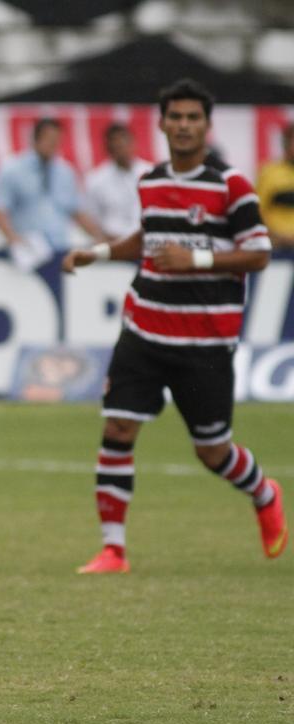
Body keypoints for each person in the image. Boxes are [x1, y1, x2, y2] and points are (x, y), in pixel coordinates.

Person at [62, 79, 286, 574]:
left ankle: (264, 491)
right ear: (162, 124)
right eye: (176, 117)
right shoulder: (152, 180)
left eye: (193, 118)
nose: (183, 125)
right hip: (143, 329)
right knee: (118, 428)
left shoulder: (232, 186)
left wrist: (197, 258)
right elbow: (147, 238)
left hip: (204, 344)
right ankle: (113, 550)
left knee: (212, 451)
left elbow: (260, 252)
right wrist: (95, 253)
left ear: (206, 126)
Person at [0, 118, 104, 270]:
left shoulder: (65, 172)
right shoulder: (11, 170)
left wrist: (99, 238)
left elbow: (77, 211)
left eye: (57, 140)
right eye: (49, 139)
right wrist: (13, 239)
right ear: (36, 139)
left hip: (59, 249)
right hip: (28, 253)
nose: (53, 144)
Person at [85, 123, 152, 241]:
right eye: (116, 145)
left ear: (133, 143)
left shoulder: (151, 173)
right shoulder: (96, 179)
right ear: (108, 148)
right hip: (114, 244)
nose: (121, 149)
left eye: (124, 143)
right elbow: (92, 218)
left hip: (146, 240)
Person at [256, 123, 294, 249]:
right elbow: (257, 212)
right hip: (278, 247)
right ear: (286, 144)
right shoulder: (270, 173)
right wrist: (276, 237)